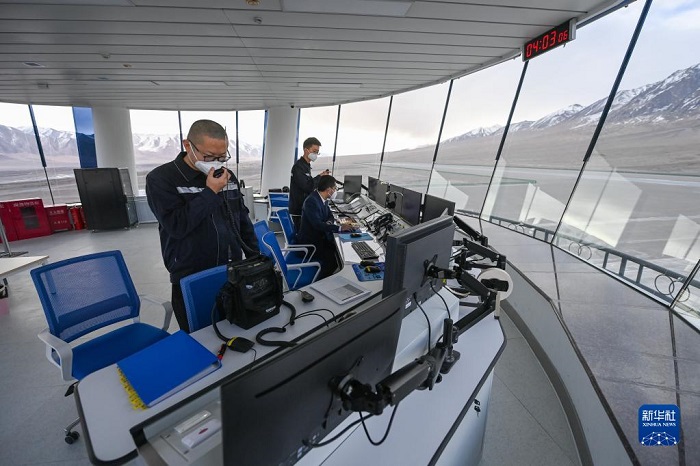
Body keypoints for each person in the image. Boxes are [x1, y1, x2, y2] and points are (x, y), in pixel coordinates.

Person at [146, 119, 258, 333]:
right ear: (188, 145)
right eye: (209, 157)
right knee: (199, 335)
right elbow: (176, 226)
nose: (216, 163)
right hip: (192, 275)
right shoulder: (161, 179)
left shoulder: (227, 177)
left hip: (231, 271)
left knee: (235, 328)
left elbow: (241, 220)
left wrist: (255, 257)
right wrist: (210, 192)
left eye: (222, 157)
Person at [297, 175, 352, 279]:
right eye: (335, 188)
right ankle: (318, 282)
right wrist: (339, 228)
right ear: (329, 190)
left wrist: (329, 223)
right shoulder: (311, 201)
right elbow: (318, 225)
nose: (335, 190)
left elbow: (329, 216)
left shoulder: (322, 198)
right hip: (310, 242)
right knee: (333, 260)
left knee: (336, 250)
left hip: (319, 237)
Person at [289, 137, 330, 229]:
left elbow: (310, 183)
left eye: (317, 152)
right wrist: (320, 177)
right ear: (306, 150)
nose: (315, 154)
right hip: (299, 210)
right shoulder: (298, 167)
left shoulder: (306, 166)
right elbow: (307, 187)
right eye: (314, 151)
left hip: (305, 207)